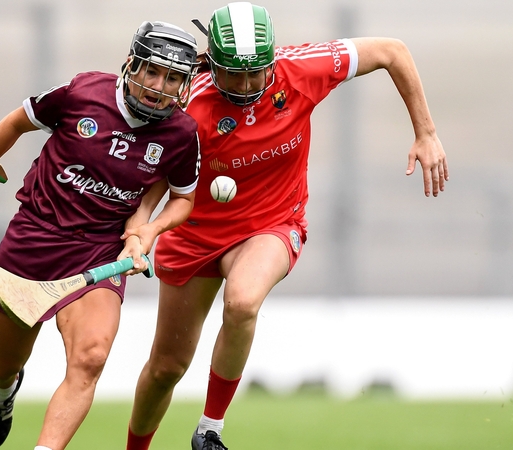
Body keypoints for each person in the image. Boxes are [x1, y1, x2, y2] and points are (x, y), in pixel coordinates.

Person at [124, 3, 449, 450]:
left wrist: (426, 132)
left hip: (272, 224)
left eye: (254, 73)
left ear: (271, 59)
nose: (245, 85)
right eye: (232, 75)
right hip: (194, 233)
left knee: (243, 302)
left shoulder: (301, 70)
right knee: (166, 368)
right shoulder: (188, 101)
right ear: (212, 63)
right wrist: (141, 227)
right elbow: (158, 179)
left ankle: (209, 430)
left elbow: (393, 51)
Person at [0, 20, 201, 450]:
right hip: (34, 238)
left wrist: (150, 229)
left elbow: (183, 198)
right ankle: (2, 393)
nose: (159, 87)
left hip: (100, 251)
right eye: (152, 71)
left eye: (173, 78)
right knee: (6, 361)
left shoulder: (181, 133)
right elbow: (16, 123)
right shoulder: (83, 92)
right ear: (131, 65)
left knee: (91, 357)